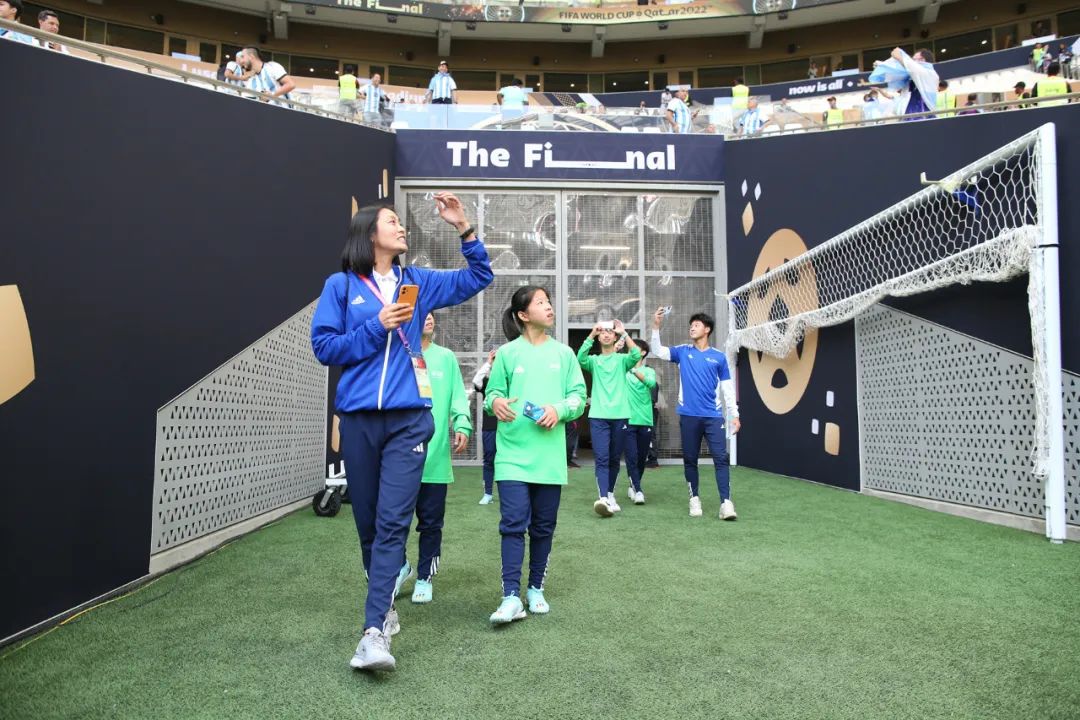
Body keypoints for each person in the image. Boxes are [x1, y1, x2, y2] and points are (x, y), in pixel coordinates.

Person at [310, 193, 493, 671]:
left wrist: (464, 228)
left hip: (411, 419)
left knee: (393, 523)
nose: (402, 228)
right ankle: (386, 610)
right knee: (368, 525)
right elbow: (324, 346)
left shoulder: (419, 281)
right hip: (358, 421)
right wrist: (378, 326)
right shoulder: (340, 286)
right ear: (371, 234)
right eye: (393, 222)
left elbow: (479, 278)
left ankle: (372, 635)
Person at [484, 286, 586, 625]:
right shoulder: (507, 354)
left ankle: (535, 588)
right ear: (523, 315)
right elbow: (492, 394)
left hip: (550, 457)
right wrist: (495, 402)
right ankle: (510, 595)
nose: (549, 307)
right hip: (512, 455)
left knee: (543, 527)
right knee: (513, 525)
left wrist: (558, 410)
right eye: (541, 303)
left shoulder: (565, 355)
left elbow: (578, 397)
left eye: (549, 302)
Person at [650, 308, 741, 520]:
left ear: (707, 329)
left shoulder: (718, 357)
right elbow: (658, 350)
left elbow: (727, 389)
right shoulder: (683, 351)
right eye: (691, 325)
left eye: (697, 325)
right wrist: (656, 326)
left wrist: (734, 415)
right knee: (690, 459)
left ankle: (726, 503)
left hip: (713, 417)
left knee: (720, 458)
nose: (692, 327)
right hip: (689, 416)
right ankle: (694, 499)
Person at [407, 312, 471, 605]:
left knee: (430, 523)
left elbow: (459, 395)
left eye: (432, 313)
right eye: (423, 312)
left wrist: (462, 423)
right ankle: (398, 568)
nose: (429, 317)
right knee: (394, 522)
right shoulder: (398, 355)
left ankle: (424, 576)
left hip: (435, 460)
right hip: (400, 459)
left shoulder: (446, 358)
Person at [578, 320, 641, 517]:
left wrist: (625, 334)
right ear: (599, 336)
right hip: (598, 416)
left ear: (614, 337)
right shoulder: (594, 361)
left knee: (614, 459)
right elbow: (580, 358)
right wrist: (590, 333)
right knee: (602, 458)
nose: (606, 335)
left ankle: (610, 494)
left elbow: (636, 354)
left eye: (609, 332)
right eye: (602, 332)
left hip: (620, 415)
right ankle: (603, 497)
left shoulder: (622, 360)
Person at [623, 339, 656, 505]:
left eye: (634, 348)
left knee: (642, 457)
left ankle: (633, 485)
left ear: (643, 352)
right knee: (631, 456)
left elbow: (650, 383)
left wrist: (635, 370)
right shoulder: (623, 370)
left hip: (645, 420)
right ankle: (638, 489)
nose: (630, 351)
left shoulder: (649, 371)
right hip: (627, 420)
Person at [472, 348, 499, 504]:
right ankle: (488, 493)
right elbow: (476, 381)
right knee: (489, 460)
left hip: (509, 428)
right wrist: (488, 362)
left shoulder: (511, 382)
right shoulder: (488, 382)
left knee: (507, 461)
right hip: (490, 428)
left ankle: (507, 493)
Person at [890, 47, 938, 117]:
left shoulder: (929, 73)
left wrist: (899, 55)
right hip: (911, 111)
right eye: (913, 60)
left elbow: (909, 64)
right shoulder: (913, 75)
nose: (914, 62)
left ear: (923, 60)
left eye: (916, 59)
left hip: (923, 112)